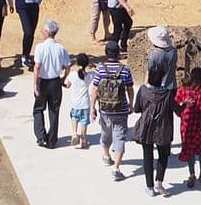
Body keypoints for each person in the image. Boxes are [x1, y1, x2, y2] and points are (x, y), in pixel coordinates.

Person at [91, 38, 135, 179]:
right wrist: (131, 104)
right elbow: (130, 88)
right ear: (118, 53)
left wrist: (92, 107)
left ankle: (106, 155)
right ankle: (116, 168)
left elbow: (95, 90)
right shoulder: (125, 70)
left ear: (106, 53)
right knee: (120, 137)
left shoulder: (100, 69)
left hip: (104, 109)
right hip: (121, 109)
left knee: (105, 133)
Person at [134, 68, 177, 196]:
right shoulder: (168, 94)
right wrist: (185, 105)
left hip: (146, 128)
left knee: (147, 156)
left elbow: (137, 109)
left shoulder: (143, 91)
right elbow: (176, 109)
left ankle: (150, 187)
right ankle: (159, 181)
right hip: (163, 128)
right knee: (163, 155)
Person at [30, 14, 71, 148]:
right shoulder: (60, 48)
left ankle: (41, 137)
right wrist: (63, 79)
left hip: (43, 81)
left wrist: (35, 85)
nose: (41, 32)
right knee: (54, 111)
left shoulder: (40, 47)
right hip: (55, 82)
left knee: (38, 109)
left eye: (43, 30)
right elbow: (67, 66)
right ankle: (52, 140)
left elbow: (37, 67)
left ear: (47, 32)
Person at [65, 54, 95, 148]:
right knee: (84, 122)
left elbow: (67, 85)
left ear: (77, 63)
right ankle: (83, 139)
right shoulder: (89, 76)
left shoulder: (73, 75)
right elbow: (97, 72)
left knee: (74, 118)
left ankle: (74, 134)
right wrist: (93, 66)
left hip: (75, 103)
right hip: (85, 103)